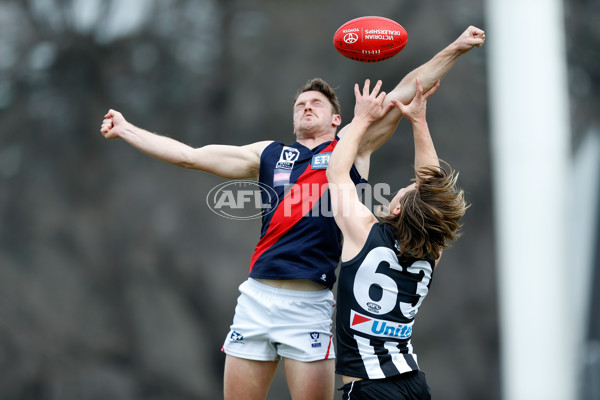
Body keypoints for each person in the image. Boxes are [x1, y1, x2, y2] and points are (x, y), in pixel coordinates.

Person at [100, 26, 484, 400]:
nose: (306, 106)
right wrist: (127, 129)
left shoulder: (353, 145)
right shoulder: (269, 154)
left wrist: (456, 48)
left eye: (317, 102)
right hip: (256, 296)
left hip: (310, 304)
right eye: (300, 104)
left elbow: (407, 89)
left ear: (337, 120)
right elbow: (190, 157)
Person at [326, 77, 468, 399]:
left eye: (407, 188)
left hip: (372, 389)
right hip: (413, 385)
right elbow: (432, 189)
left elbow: (336, 172)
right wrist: (418, 121)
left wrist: (361, 119)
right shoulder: (431, 253)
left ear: (397, 207)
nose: (409, 183)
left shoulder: (364, 232)